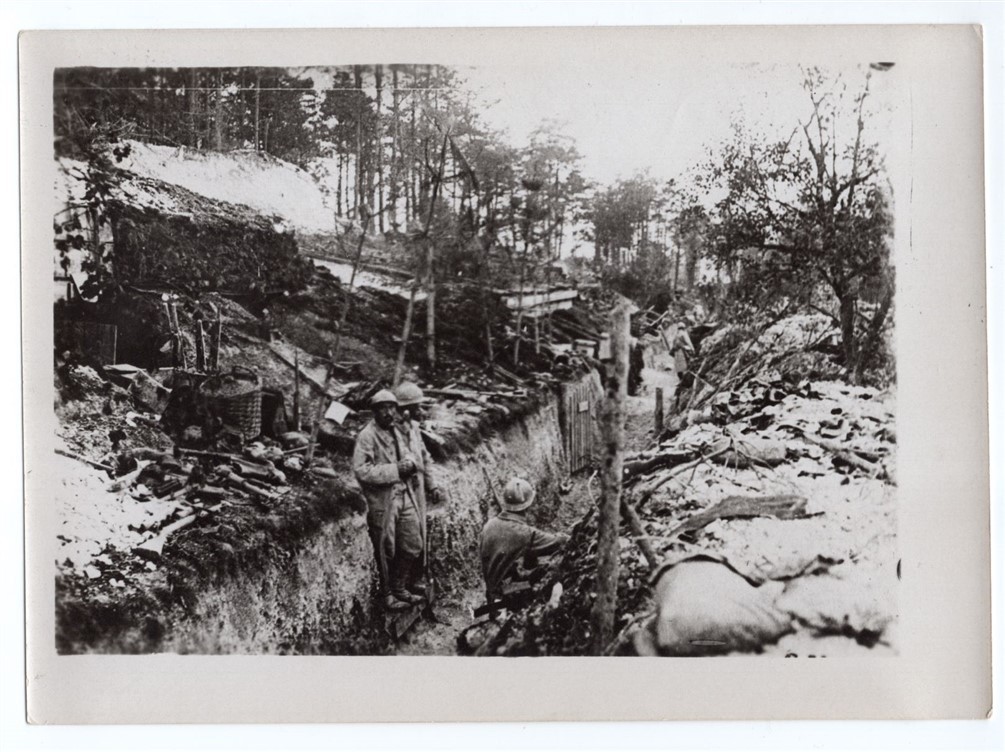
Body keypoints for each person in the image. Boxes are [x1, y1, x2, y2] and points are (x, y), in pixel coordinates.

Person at [351, 389, 424, 611]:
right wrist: (394, 469)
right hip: (383, 499)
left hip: (404, 493)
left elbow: (411, 452)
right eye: (383, 408)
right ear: (375, 412)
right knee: (386, 549)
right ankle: (387, 595)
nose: (388, 413)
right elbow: (361, 470)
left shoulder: (396, 430)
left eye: (391, 407)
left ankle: (400, 587)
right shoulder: (367, 435)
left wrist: (409, 463)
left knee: (413, 543)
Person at [479, 477, 569, 614]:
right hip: (507, 600)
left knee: (539, 570)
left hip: (493, 595)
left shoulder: (489, 525)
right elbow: (557, 543)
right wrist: (568, 535)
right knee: (554, 581)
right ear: (528, 504)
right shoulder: (524, 533)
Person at [393, 381, 444, 597]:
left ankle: (414, 580)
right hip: (401, 494)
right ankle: (398, 586)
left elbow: (425, 457)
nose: (420, 412)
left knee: (420, 537)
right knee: (408, 541)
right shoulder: (389, 433)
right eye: (415, 407)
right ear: (404, 409)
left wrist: (432, 484)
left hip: (418, 490)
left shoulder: (413, 429)